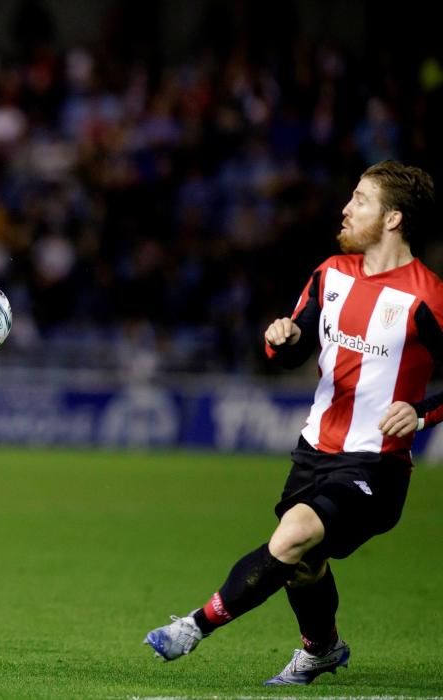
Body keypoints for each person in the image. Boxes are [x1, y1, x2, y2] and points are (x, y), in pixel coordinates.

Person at [144, 160, 441, 685]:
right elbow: (289, 348)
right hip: (313, 451)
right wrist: (279, 339)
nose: (346, 209)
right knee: (303, 563)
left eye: (360, 200)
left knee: (293, 536)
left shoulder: (427, 296)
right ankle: (322, 649)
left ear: (393, 219)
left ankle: (193, 627)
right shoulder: (330, 273)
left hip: (377, 463)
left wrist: (421, 412)